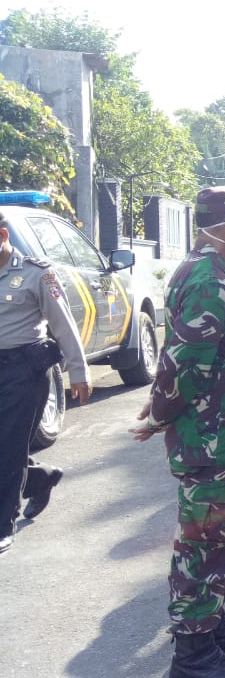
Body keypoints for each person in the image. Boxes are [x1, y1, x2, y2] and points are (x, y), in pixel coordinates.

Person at [130, 187, 225, 678]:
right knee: (204, 542)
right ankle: (192, 657)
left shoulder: (223, 272)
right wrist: (158, 415)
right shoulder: (207, 276)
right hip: (212, 440)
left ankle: (211, 627)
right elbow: (184, 362)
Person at [0, 211, 91, 556]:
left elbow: (63, 323)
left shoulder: (36, 273)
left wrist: (78, 372)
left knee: (8, 448)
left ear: (2, 235)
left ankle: (2, 525)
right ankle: (40, 477)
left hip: (22, 371)